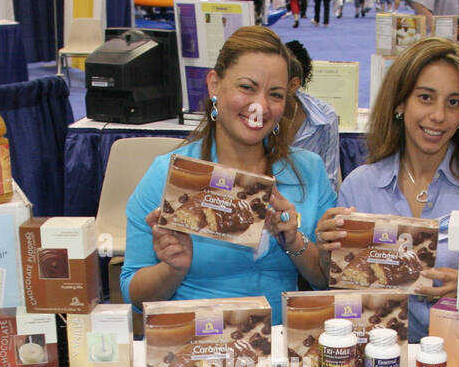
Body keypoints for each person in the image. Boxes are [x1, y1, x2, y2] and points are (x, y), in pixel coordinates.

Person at [122, 26, 337, 324]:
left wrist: (294, 241)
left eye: (275, 94)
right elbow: (133, 293)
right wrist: (172, 268)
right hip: (195, 345)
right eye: (247, 88)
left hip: (278, 349)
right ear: (214, 85)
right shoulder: (169, 175)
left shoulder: (308, 171)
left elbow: (327, 282)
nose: (260, 106)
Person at [319, 37, 459, 339]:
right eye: (426, 98)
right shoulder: (360, 186)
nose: (439, 116)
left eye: (453, 102)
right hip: (379, 366)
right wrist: (328, 254)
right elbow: (345, 294)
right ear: (400, 103)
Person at [285, 40, 343, 181]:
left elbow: (330, 179)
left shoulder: (325, 117)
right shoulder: (254, 114)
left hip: (312, 201)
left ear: (294, 84)